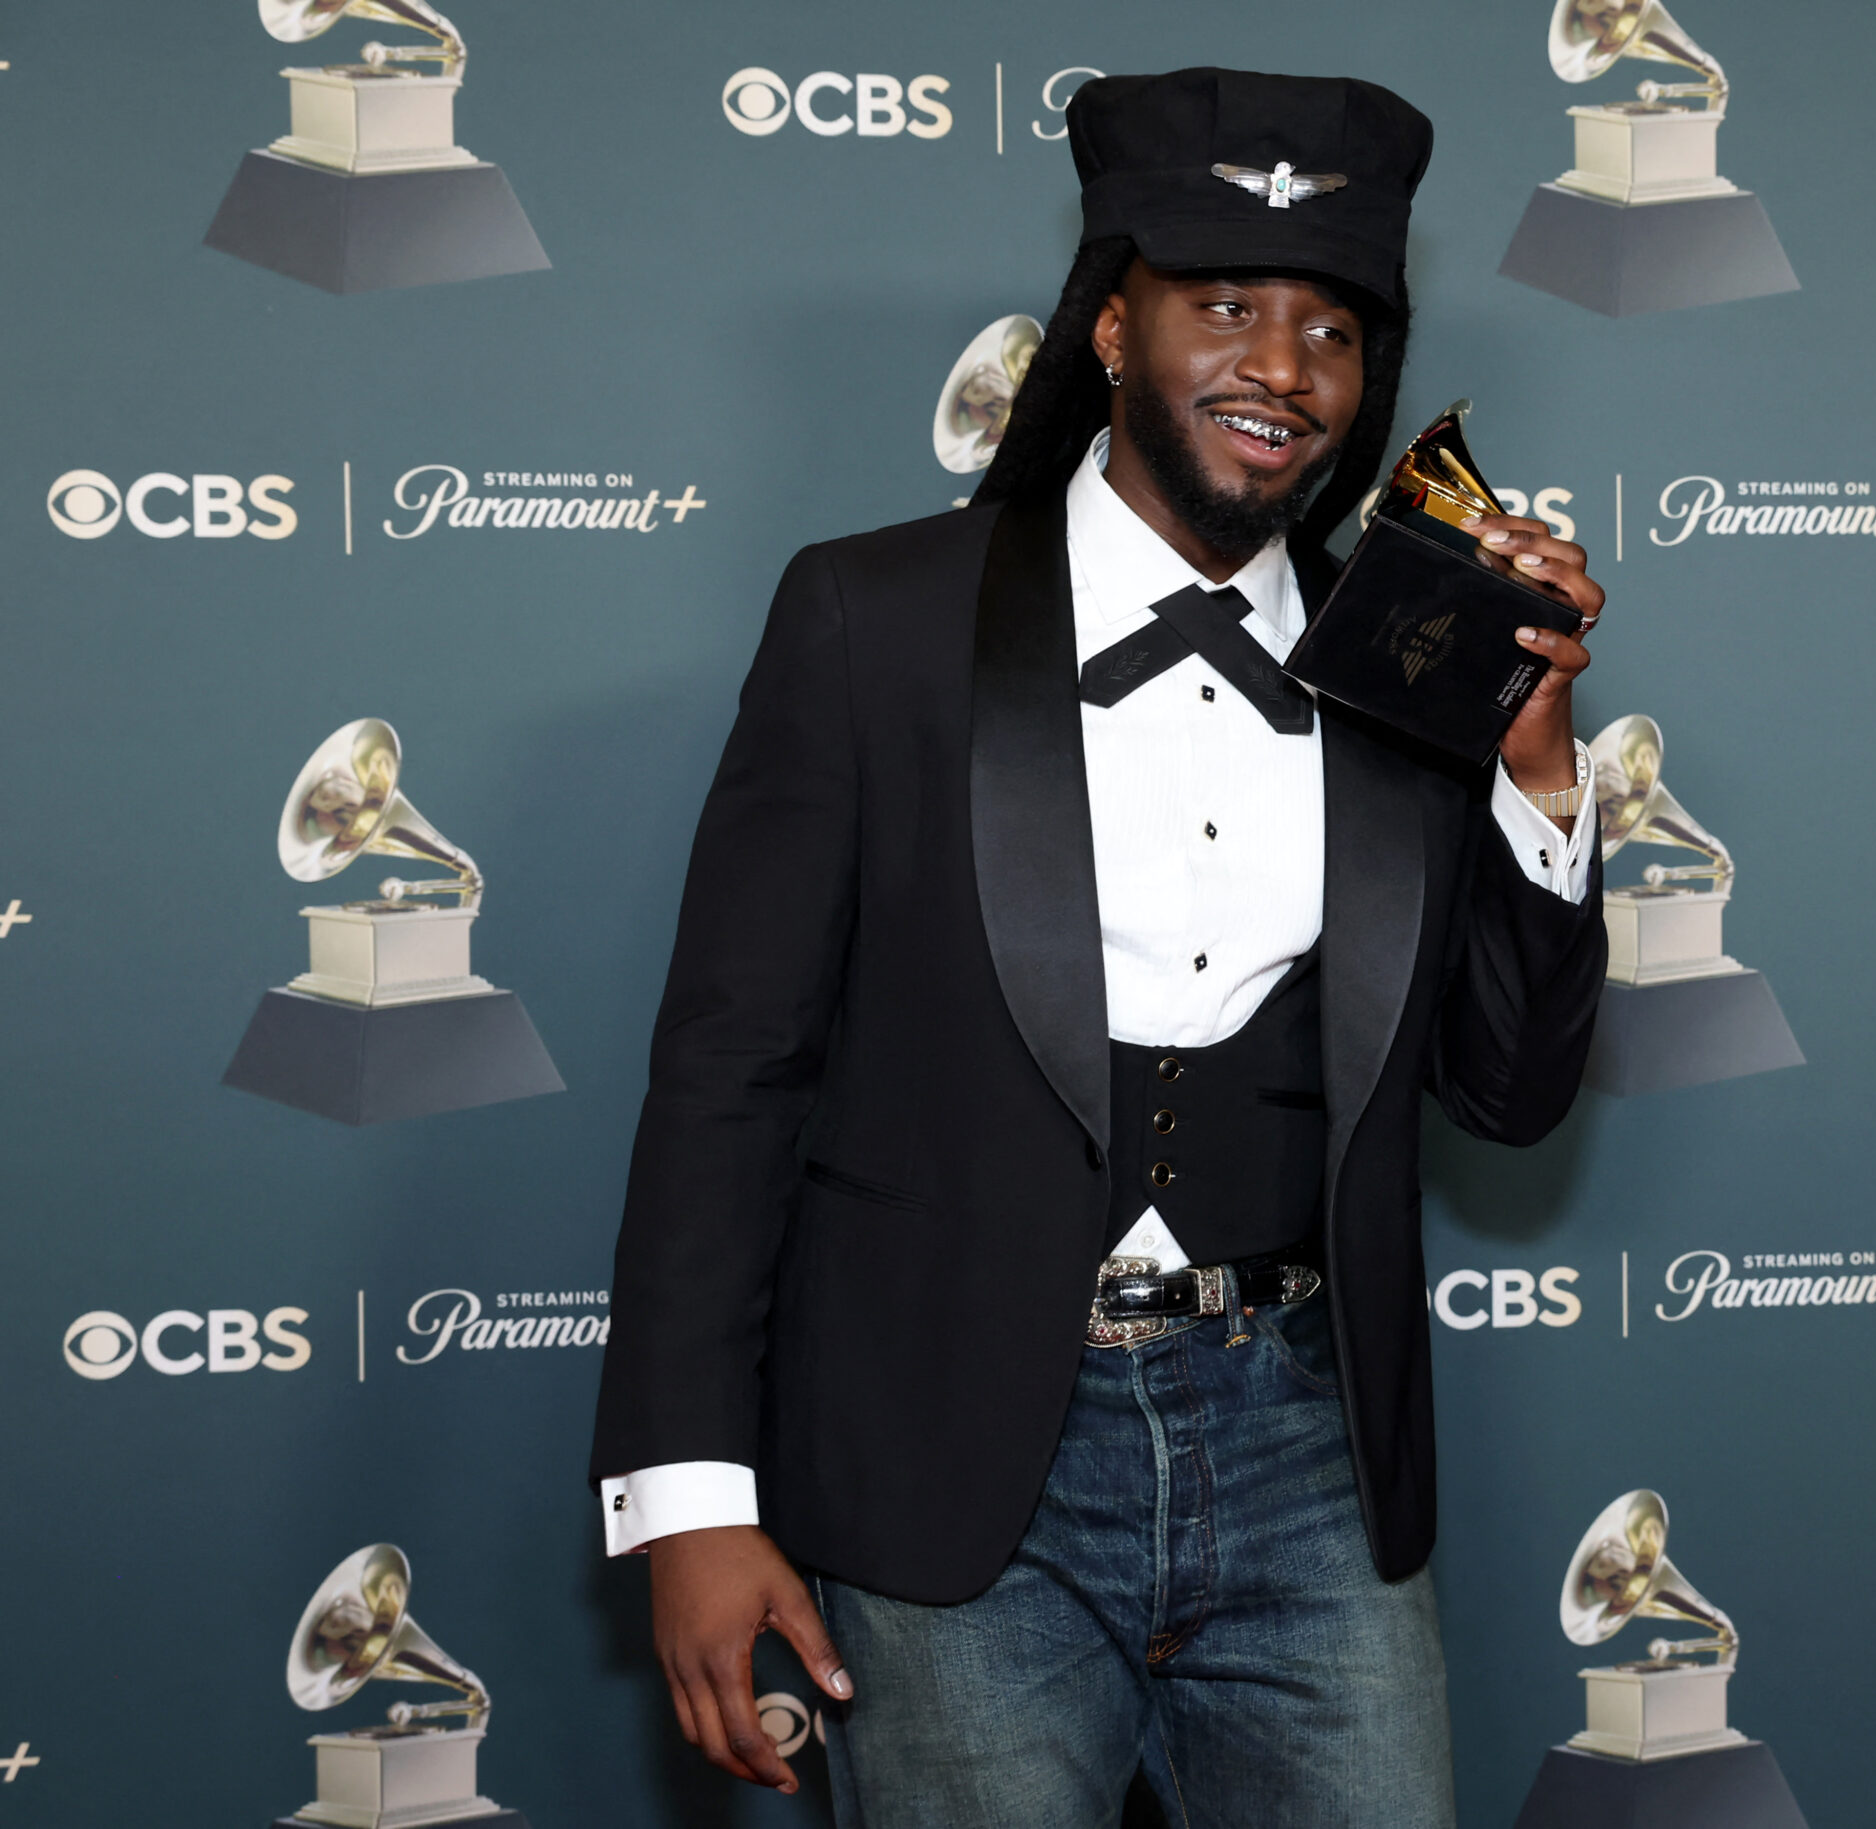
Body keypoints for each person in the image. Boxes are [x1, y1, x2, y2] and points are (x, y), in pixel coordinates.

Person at [589, 67, 1609, 1829]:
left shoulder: (1411, 656)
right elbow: (730, 1074)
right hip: (949, 1457)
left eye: (1333, 329)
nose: (1283, 367)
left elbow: (1511, 1095)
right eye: (1227, 305)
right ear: (1114, 327)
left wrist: (1533, 767)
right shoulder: (873, 616)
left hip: (1310, 1456)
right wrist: (690, 1496)